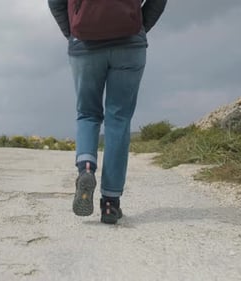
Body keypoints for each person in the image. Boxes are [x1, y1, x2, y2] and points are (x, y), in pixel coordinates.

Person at [48, 0, 167, 224]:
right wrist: (138, 27)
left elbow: (55, 2)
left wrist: (73, 33)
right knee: (119, 119)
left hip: (84, 44)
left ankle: (85, 169)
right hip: (130, 44)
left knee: (88, 114)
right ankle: (111, 203)